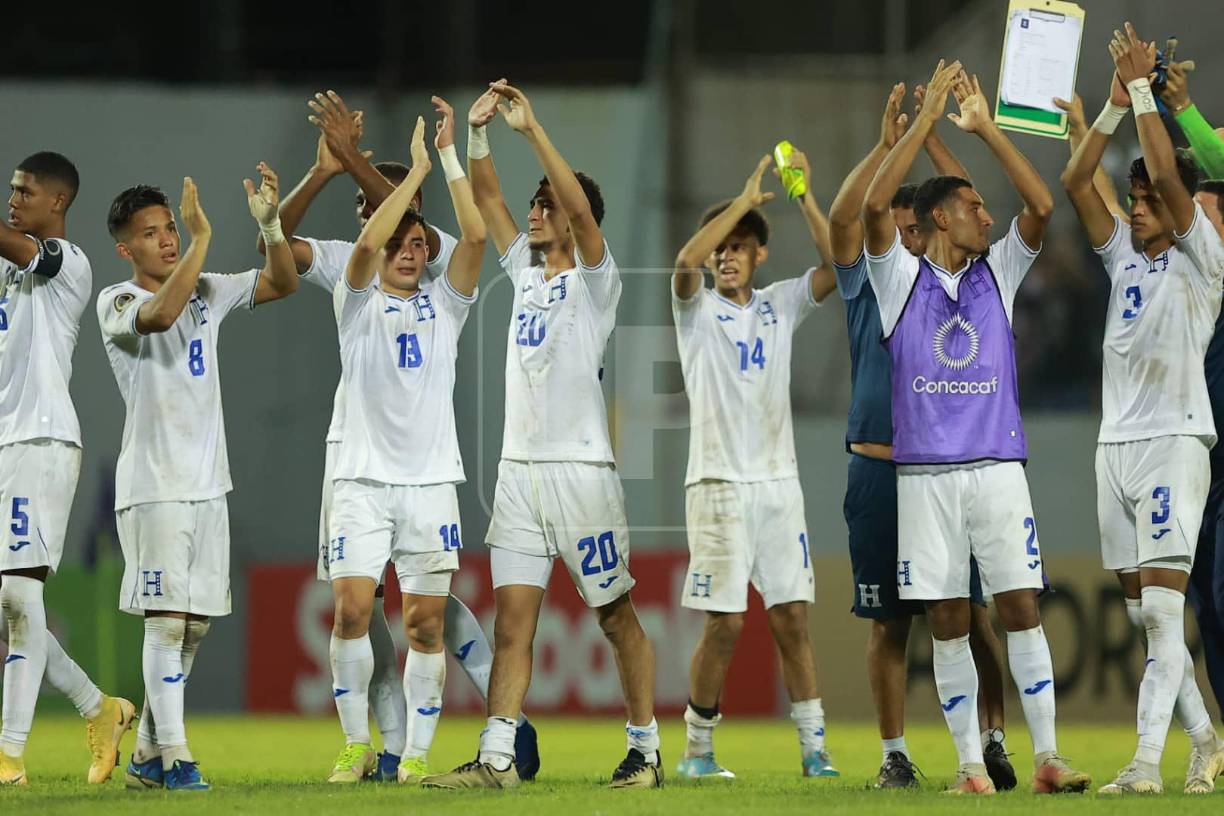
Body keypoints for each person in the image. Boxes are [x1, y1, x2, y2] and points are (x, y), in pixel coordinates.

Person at [264, 89, 538, 782]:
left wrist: (439, 156)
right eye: (397, 238)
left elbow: (471, 238)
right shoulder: (350, 288)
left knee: (424, 622)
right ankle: (366, 743)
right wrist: (349, 168)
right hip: (357, 472)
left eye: (417, 240)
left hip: (427, 483)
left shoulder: (446, 299)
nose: (410, 248)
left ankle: (411, 753)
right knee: (356, 608)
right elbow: (325, 248)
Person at [423, 81, 660, 790]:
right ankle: (497, 757)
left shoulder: (597, 282)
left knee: (615, 617)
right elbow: (490, 200)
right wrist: (476, 137)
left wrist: (534, 131)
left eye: (546, 204)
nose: (535, 210)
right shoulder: (523, 272)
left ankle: (645, 751)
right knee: (511, 626)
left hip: (581, 473)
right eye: (537, 202)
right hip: (518, 474)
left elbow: (583, 208)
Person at [862, 60, 1089, 795]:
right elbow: (871, 209)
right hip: (926, 474)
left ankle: (1049, 756)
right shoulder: (898, 280)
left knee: (1020, 607)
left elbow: (1041, 204)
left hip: (996, 467)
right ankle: (968, 767)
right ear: (937, 222)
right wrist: (922, 125)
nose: (988, 216)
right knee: (949, 619)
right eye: (972, 208)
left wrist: (983, 127)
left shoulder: (1000, 275)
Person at [827, 83, 1015, 790]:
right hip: (878, 470)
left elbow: (973, 211)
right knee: (889, 625)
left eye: (914, 228)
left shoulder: (954, 284)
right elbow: (850, 212)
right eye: (898, 230)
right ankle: (894, 755)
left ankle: (993, 742)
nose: (905, 240)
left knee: (971, 614)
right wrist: (886, 143)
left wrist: (941, 131)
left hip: (942, 468)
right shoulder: (865, 282)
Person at [1061, 22, 1224, 794]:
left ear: (1178, 203)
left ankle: (1142, 768)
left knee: (1163, 616)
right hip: (1114, 449)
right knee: (1141, 618)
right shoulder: (1125, 252)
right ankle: (1205, 738)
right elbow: (1073, 183)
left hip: (1175, 442)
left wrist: (1137, 91)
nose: (1137, 207)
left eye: (1149, 198)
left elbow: (1164, 165)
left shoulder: (1204, 256)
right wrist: (1098, 119)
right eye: (1132, 200)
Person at [98, 165, 298, 791]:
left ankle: (146, 761)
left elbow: (284, 281)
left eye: (170, 230)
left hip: (209, 484)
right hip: (154, 487)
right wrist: (205, 238)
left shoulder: (208, 289)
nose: (168, 240)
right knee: (165, 622)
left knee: (194, 627)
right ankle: (179, 759)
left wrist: (269, 226)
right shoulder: (119, 301)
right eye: (152, 233)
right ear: (125, 249)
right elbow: (160, 316)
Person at [670, 149, 838, 780]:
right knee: (726, 623)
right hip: (716, 484)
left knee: (792, 618)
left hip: (778, 487)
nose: (727, 255)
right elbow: (687, 262)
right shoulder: (695, 309)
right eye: (724, 246)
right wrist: (740, 201)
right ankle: (697, 753)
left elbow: (837, 266)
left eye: (741, 246)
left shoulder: (780, 303)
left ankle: (815, 751)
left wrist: (803, 197)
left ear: (760, 255)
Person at [0, 151, 136, 786]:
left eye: (24, 191)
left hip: (43, 442)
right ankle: (99, 707)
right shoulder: (7, 270)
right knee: (10, 603)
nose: (14, 198)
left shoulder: (68, 264)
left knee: (19, 595)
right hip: (5, 444)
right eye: (12, 190)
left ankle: (9, 755)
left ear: (56, 202)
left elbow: (30, 254)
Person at [1155, 58, 1224, 725]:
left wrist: (1179, 108)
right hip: (1199, 461)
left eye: (1206, 212)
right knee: (1203, 600)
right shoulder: (1184, 279)